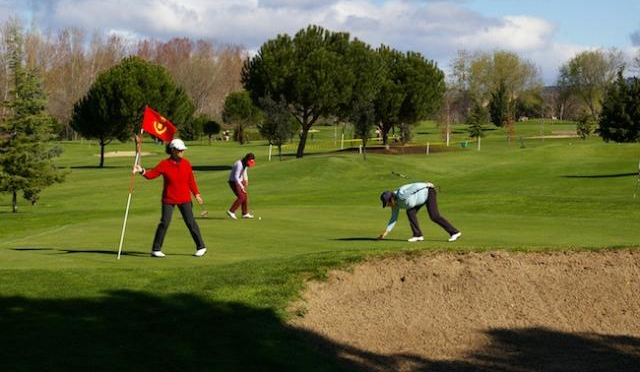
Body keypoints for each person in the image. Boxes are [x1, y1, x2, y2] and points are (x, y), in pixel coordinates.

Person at [133, 139, 206, 257]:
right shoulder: (164, 164)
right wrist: (141, 171)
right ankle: (156, 249)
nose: (182, 152)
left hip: (184, 198)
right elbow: (151, 175)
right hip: (169, 198)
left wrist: (196, 194)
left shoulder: (186, 163)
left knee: (190, 222)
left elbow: (191, 180)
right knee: (164, 223)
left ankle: (201, 247)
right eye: (179, 150)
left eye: (183, 150)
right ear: (172, 150)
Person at [377, 182, 461, 242]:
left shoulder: (401, 195)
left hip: (428, 193)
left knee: (434, 216)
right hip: (417, 201)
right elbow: (393, 218)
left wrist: (427, 185)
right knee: (410, 213)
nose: (388, 206)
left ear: (391, 199)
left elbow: (416, 186)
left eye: (387, 203)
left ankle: (455, 232)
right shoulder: (395, 205)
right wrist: (386, 232)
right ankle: (418, 235)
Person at [226, 153, 256, 219]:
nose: (249, 164)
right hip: (233, 181)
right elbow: (236, 177)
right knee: (241, 197)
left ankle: (245, 213)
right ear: (246, 159)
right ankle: (231, 211)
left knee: (245, 196)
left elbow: (244, 171)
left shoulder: (245, 164)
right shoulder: (239, 164)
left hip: (239, 181)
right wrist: (242, 187)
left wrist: (246, 180)